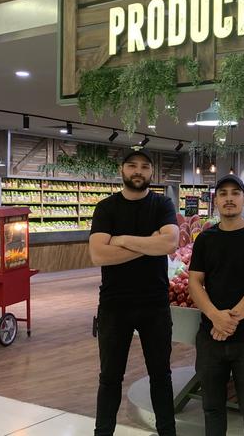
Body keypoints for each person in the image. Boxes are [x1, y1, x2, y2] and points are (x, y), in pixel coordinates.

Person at [89, 149, 179, 436]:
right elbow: (98, 254)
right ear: (122, 170)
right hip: (115, 305)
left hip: (155, 303)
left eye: (144, 166)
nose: (138, 171)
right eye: (132, 166)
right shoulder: (106, 208)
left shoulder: (163, 204)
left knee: (161, 376)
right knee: (110, 378)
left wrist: (123, 240)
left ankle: (168, 432)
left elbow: (169, 244)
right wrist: (147, 244)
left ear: (152, 173)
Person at [188, 175, 244, 436]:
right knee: (211, 407)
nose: (229, 198)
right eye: (223, 193)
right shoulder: (205, 239)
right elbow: (195, 282)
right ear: (215, 200)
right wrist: (215, 316)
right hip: (209, 338)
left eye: (235, 193)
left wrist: (229, 321)